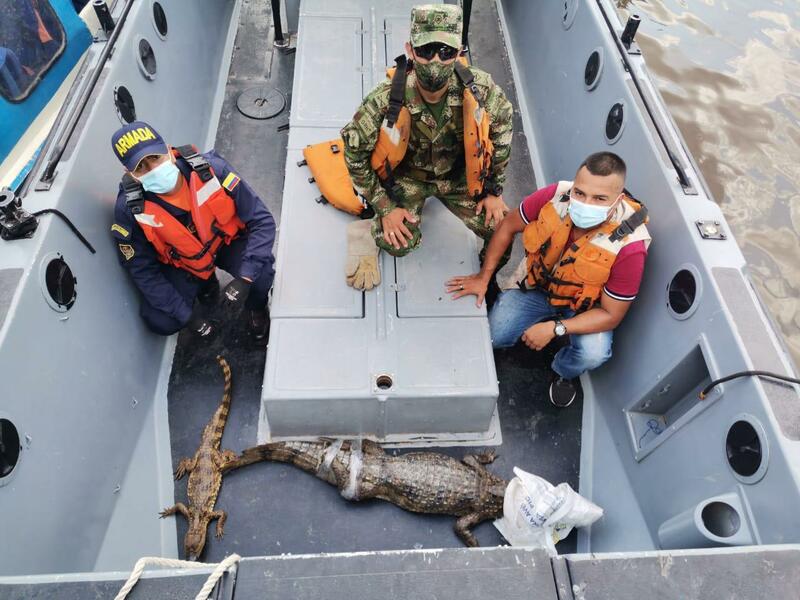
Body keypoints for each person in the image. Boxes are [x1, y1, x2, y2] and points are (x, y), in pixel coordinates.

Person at [447, 152, 651, 408]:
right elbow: (508, 226)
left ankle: (563, 371)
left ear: (618, 200)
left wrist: (556, 329)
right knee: (494, 334)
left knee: (593, 354)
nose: (586, 203)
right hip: (536, 288)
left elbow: (611, 314)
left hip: (583, 309)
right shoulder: (556, 196)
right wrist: (483, 278)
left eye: (600, 198)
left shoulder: (630, 247)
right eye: (580, 193)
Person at [340, 3, 514, 284]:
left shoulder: (482, 92)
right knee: (398, 243)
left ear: (458, 53)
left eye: (445, 53)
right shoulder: (385, 101)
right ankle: (367, 229)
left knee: (503, 228)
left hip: (460, 178)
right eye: (425, 51)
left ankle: (487, 279)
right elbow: (354, 155)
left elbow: (502, 137)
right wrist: (384, 206)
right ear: (410, 50)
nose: (435, 62)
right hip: (407, 179)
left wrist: (493, 190)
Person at [110, 121, 276, 342]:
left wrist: (245, 278)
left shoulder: (213, 170)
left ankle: (255, 308)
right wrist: (187, 318)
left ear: (168, 150)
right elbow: (143, 271)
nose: (153, 170)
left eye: (155, 158)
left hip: (225, 242)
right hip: (184, 264)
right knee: (160, 320)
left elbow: (261, 220)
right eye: (141, 167)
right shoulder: (128, 211)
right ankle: (206, 285)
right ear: (129, 173)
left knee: (261, 274)